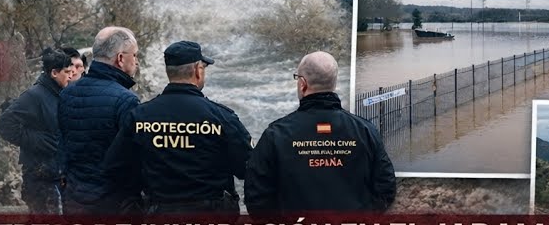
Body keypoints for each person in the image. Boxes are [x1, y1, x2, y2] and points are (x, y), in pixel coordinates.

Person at [102, 41, 252, 215]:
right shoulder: (221, 117)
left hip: (158, 211)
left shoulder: (140, 116)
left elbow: (115, 167)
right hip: (211, 211)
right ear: (198, 70)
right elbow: (248, 168)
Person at [244, 51, 395, 217]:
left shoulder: (276, 134)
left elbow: (256, 197)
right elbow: (386, 187)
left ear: (302, 83)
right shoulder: (365, 131)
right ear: (334, 83)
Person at [57, 27, 141, 213]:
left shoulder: (67, 93)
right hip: (113, 202)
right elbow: (132, 159)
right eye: (134, 55)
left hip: (74, 198)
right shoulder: (127, 100)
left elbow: (62, 145)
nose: (136, 61)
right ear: (120, 58)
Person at [0, 48, 72, 213]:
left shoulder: (59, 94)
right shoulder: (34, 95)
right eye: (67, 72)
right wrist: (37, 140)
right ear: (54, 73)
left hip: (57, 176)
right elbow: (4, 124)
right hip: (40, 177)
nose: (71, 76)